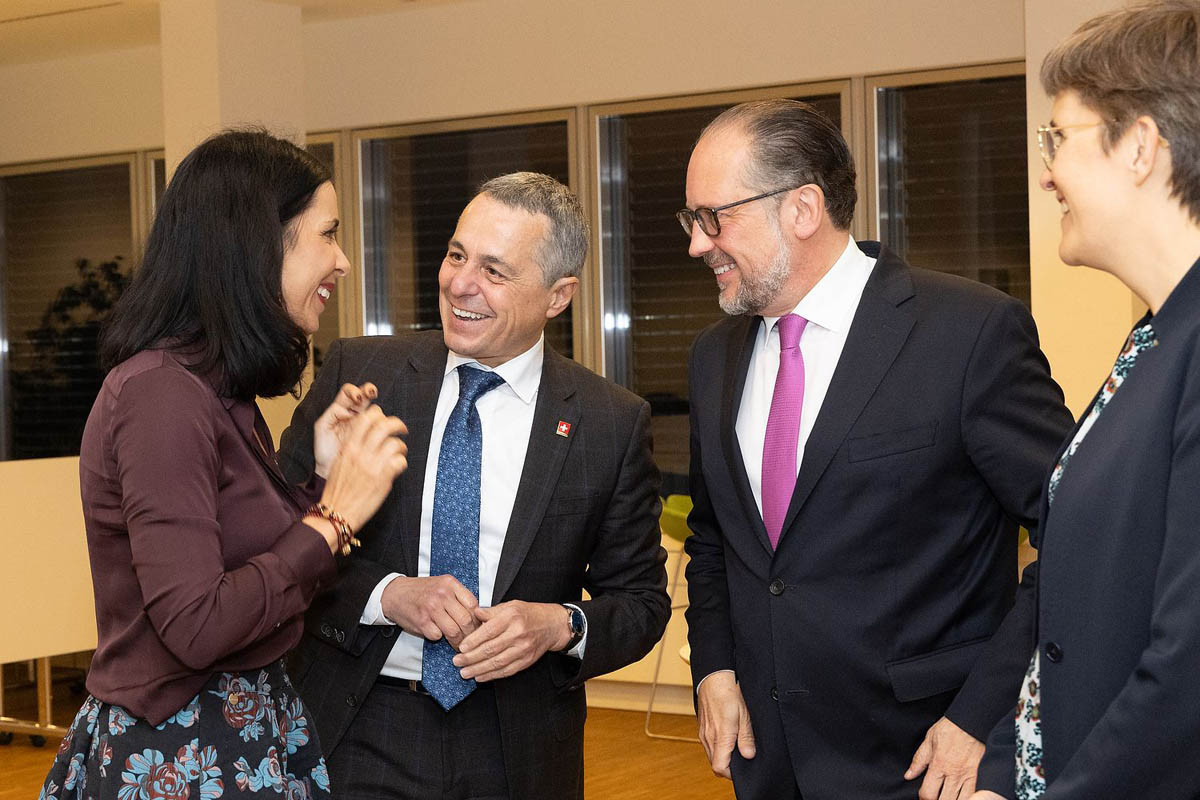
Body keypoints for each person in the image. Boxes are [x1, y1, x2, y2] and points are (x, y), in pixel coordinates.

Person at [679, 99, 1075, 800]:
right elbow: (714, 540)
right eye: (692, 220)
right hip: (765, 761)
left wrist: (984, 714)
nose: (697, 244)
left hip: (924, 758)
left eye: (715, 217)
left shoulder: (967, 334)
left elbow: (1080, 537)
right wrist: (712, 668)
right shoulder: (714, 357)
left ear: (802, 209)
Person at [39, 129, 408, 800]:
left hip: (239, 733)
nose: (344, 261)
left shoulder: (215, 391)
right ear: (258, 247)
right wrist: (336, 516)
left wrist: (324, 477)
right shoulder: (159, 395)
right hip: (178, 754)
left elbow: (256, 576)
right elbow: (197, 624)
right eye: (327, 235)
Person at [277, 171, 671, 800]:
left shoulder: (610, 422)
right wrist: (388, 593)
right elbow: (275, 539)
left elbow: (643, 604)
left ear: (558, 296)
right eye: (457, 255)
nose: (460, 284)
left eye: (494, 270)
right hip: (360, 721)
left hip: (518, 745)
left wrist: (559, 625)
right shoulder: (363, 373)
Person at [971, 2, 1200, 798]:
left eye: (1058, 138)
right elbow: (1080, 610)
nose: (1045, 172)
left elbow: (1185, 674)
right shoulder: (1153, 340)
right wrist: (1002, 767)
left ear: (1141, 146)